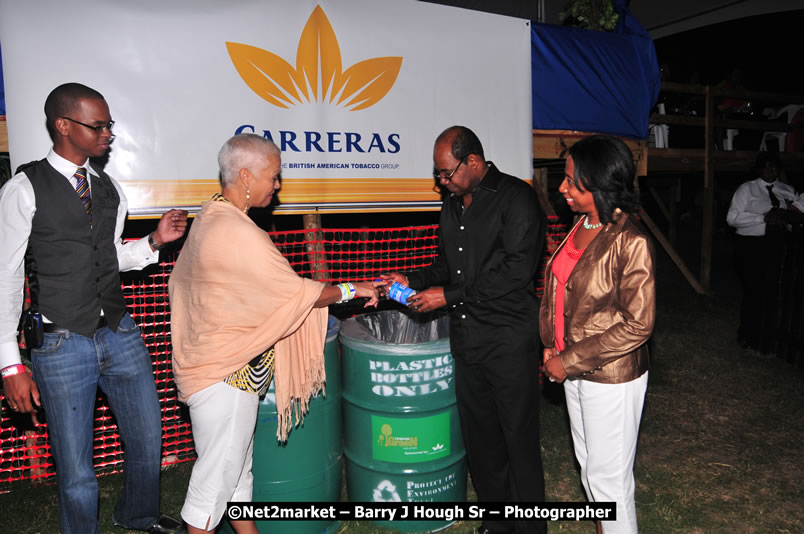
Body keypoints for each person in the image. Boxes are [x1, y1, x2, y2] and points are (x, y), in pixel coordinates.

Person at [168, 133, 381, 534]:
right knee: (211, 493)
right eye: (275, 176)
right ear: (246, 176)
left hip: (221, 372)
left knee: (236, 482)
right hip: (225, 379)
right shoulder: (236, 231)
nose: (278, 185)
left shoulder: (212, 215)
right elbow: (294, 292)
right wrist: (355, 289)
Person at [0, 83, 188, 534]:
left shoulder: (109, 189)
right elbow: (5, 277)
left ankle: (138, 516)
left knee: (147, 439)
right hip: (61, 341)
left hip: (119, 332)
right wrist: (10, 365)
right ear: (64, 125)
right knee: (76, 465)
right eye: (98, 125)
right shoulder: (23, 189)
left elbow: (107, 256)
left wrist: (154, 242)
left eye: (109, 125)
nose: (108, 133)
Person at [381, 125, 547, 534]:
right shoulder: (453, 202)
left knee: (518, 442)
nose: (441, 181)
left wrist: (449, 296)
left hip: (509, 340)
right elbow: (450, 267)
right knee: (483, 440)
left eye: (446, 172)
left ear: (473, 162)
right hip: (469, 340)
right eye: (438, 174)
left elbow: (515, 271)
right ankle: (496, 523)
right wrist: (414, 278)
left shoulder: (517, 198)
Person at [540, 134, 654, 534]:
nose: (562, 188)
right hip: (572, 367)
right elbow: (563, 292)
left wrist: (565, 359)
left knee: (609, 481)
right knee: (590, 468)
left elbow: (638, 324)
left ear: (600, 183)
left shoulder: (629, 241)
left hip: (610, 376)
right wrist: (552, 345)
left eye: (572, 181)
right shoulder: (581, 224)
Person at [726, 151, 799, 351]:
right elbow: (732, 218)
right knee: (753, 290)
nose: (770, 170)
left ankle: (770, 336)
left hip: (777, 245)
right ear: (759, 168)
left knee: (773, 291)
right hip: (751, 245)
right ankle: (748, 334)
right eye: (766, 166)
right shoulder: (747, 189)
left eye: (774, 166)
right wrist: (762, 218)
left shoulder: (787, 190)